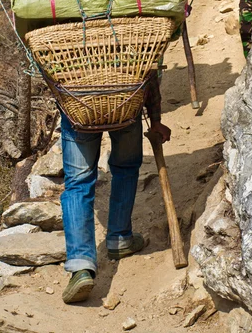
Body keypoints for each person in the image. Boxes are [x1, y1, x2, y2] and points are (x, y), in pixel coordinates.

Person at [60, 71, 170, 304]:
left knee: (78, 184)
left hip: (77, 105)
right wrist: (156, 118)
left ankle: (81, 265)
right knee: (126, 167)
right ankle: (119, 238)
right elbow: (148, 68)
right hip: (126, 101)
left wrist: (61, 95)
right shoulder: (129, 34)